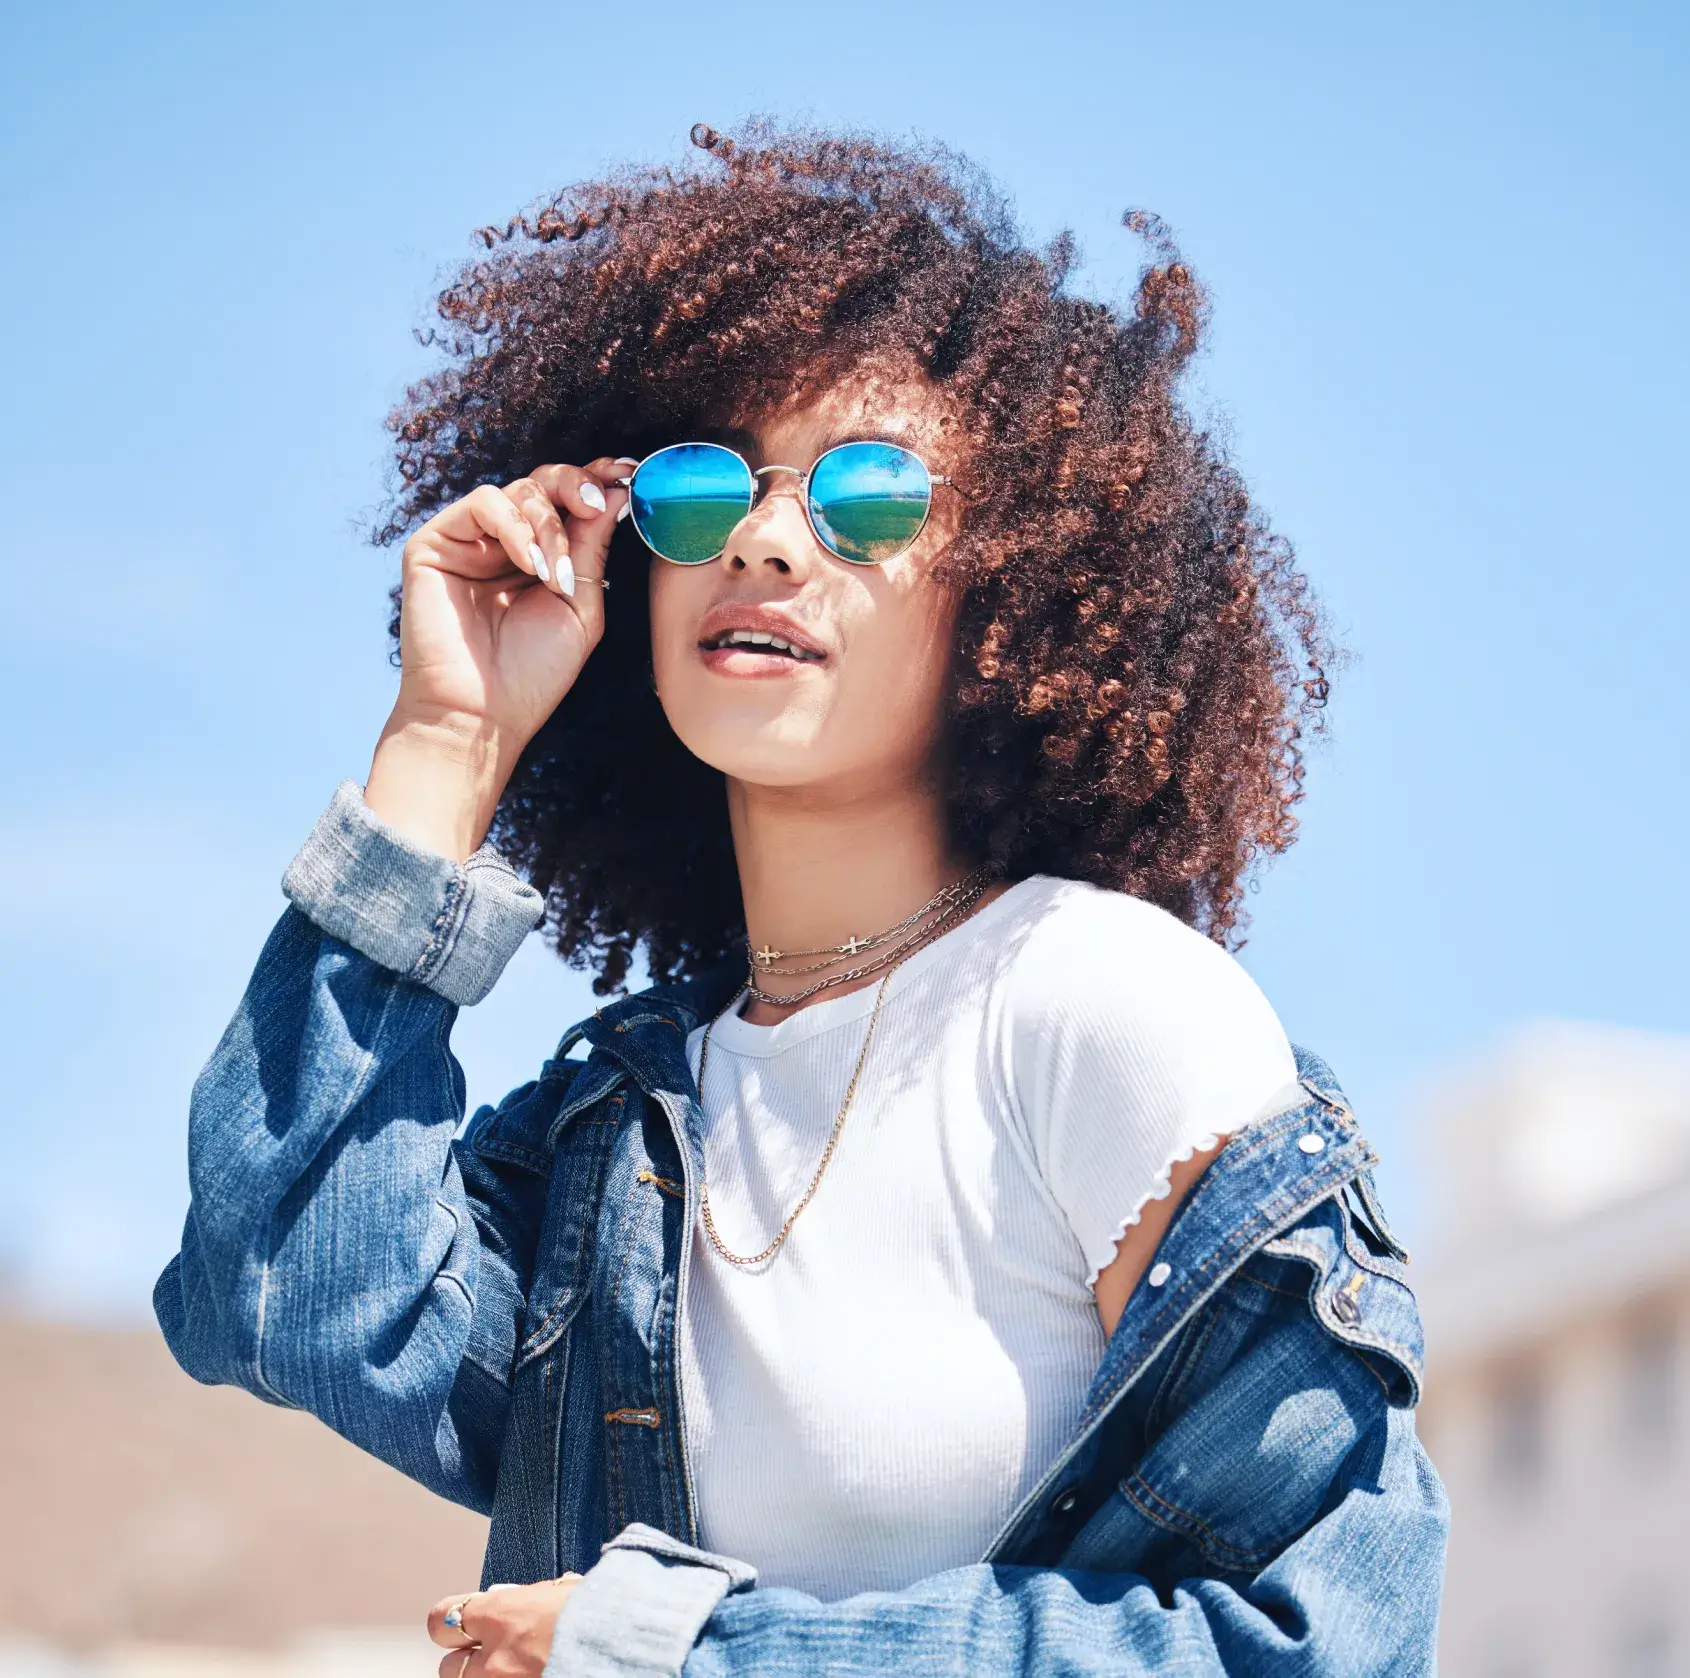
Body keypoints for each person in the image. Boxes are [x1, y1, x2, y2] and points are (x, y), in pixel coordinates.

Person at [155, 123, 1446, 1677]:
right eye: (703, 493)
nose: (765, 535)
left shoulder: (1099, 1001)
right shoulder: (628, 1121)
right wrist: (449, 744)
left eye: (869, 497)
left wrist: (685, 1655)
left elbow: (1312, 1640)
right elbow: (280, 1290)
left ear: (1021, 585)